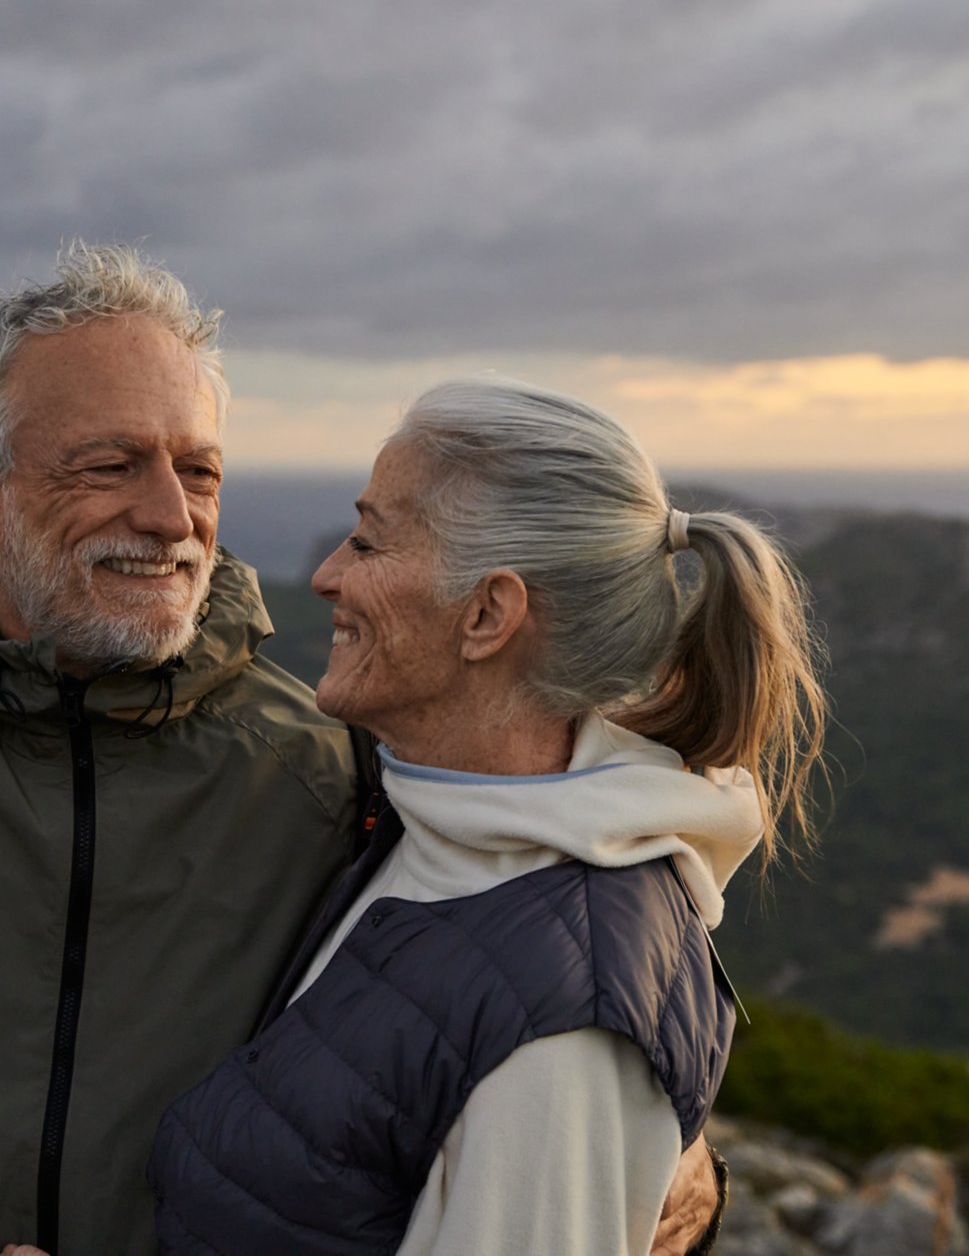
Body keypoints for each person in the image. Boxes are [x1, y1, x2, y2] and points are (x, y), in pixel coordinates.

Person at [0, 248, 725, 1255]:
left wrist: (652, 1142)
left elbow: (538, 964)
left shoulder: (335, 773)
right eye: (108, 464)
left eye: (196, 469)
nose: (169, 515)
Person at [151, 378, 826, 1255]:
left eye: (367, 541)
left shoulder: (570, 1037)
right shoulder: (418, 811)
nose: (327, 576)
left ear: (487, 614)